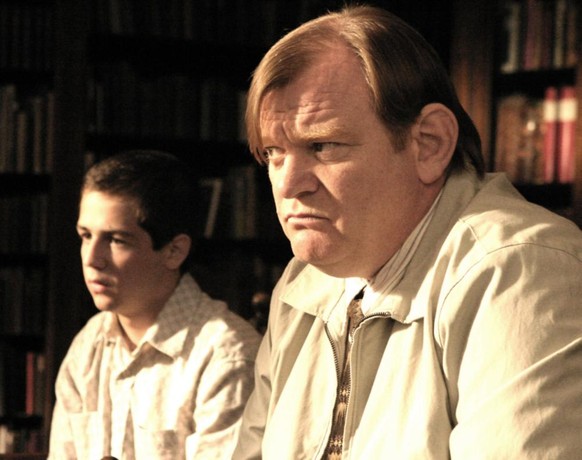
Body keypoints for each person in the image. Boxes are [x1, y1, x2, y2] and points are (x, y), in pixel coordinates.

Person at [233, 5, 582, 459]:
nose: (287, 184)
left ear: (429, 144)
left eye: (322, 145)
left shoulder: (520, 270)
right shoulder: (302, 281)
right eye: (274, 153)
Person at [48, 150, 261, 459]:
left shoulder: (227, 357)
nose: (92, 259)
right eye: (86, 236)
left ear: (174, 251)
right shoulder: (88, 345)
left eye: (116, 240)